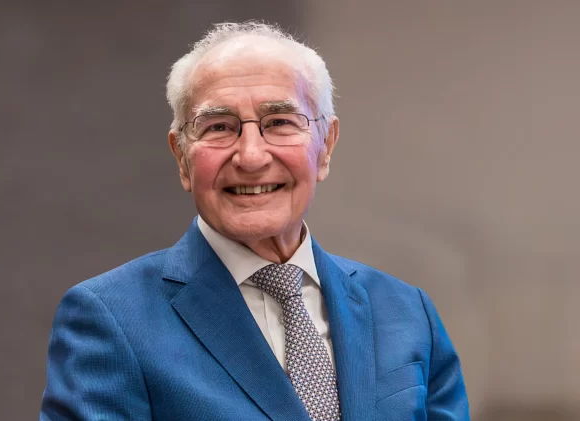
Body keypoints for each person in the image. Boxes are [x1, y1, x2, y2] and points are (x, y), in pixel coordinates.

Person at [40, 21, 469, 421]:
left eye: (280, 122)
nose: (250, 156)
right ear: (182, 157)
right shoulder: (111, 319)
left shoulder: (407, 312)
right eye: (218, 127)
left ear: (325, 146)